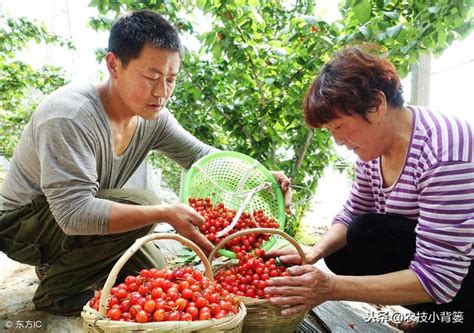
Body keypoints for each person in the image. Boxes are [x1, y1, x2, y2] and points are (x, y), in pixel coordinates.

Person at [0, 10, 291, 316]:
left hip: (64, 221)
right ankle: (55, 293)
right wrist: (163, 212)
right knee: (143, 203)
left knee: (159, 275)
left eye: (171, 79)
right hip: (22, 226)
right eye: (151, 77)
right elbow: (73, 215)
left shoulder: (153, 117)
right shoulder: (69, 116)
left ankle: (61, 265)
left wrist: (259, 177)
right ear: (114, 64)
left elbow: (203, 159)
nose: (162, 91)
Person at [264, 47, 473, 333]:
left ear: (377, 105)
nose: (337, 141)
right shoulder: (373, 151)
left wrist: (331, 288)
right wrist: (313, 251)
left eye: (339, 126)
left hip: (461, 269)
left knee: (369, 239)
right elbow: (353, 212)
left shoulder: (444, 151)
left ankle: (448, 319)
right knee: (354, 238)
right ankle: (434, 316)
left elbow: (441, 275)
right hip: (437, 259)